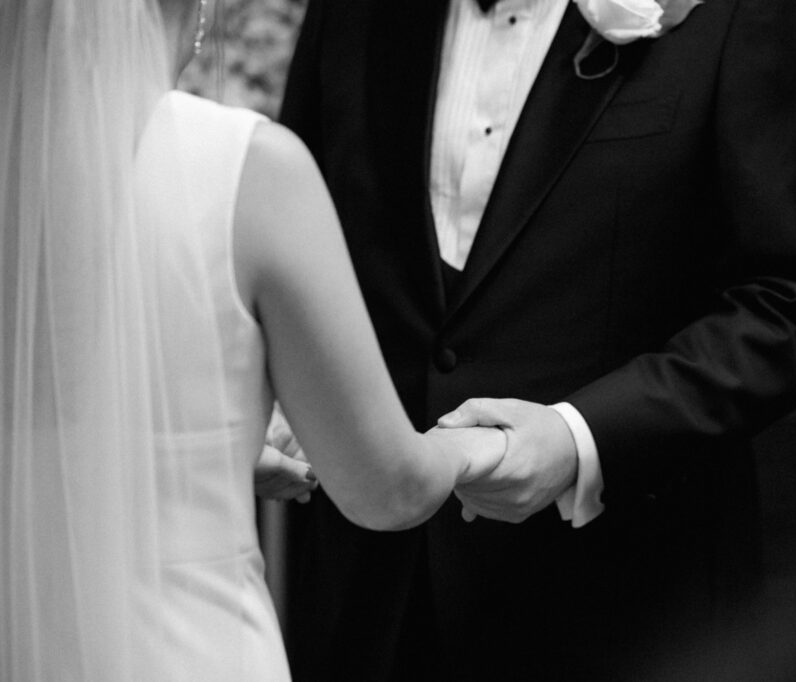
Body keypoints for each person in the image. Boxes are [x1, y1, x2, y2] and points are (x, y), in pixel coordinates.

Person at [276, 0, 796, 679]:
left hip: (624, 603)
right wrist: (270, 399)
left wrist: (578, 437)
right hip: (366, 601)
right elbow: (296, 245)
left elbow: (793, 305)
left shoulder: (743, 16)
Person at [0, 0, 503, 679]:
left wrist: (208, 451)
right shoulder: (249, 167)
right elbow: (388, 490)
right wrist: (482, 444)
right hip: (186, 648)